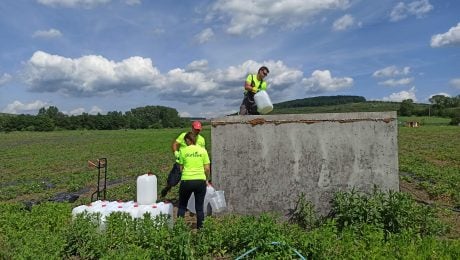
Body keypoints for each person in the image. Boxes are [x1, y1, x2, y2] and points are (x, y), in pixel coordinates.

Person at [160, 120, 206, 197]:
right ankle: (167, 188)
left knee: (191, 183)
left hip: (193, 165)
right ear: (192, 128)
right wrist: (176, 152)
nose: (197, 131)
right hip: (180, 163)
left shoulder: (201, 139)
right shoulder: (183, 136)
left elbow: (203, 152)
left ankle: (188, 199)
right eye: (196, 129)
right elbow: (175, 144)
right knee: (172, 182)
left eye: (199, 129)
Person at [176, 131, 211, 229]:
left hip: (186, 180)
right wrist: (206, 179)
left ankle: (179, 228)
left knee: (182, 205)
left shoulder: (183, 151)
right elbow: (207, 168)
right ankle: (200, 229)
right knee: (199, 208)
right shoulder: (203, 151)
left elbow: (181, 168)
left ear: (188, 140)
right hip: (200, 181)